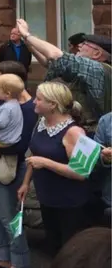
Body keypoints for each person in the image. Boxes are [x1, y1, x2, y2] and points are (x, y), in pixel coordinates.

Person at [18, 81, 90, 254]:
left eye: (39, 99)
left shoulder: (76, 133)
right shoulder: (41, 123)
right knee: (53, 246)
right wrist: (26, 183)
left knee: (69, 250)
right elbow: (34, 156)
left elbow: (82, 172)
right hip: (47, 198)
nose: (34, 101)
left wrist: (46, 163)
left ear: (52, 105)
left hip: (69, 202)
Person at [0, 61, 34, 268]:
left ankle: (19, 262)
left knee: (8, 217)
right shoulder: (5, 102)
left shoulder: (29, 109)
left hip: (12, 166)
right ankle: (2, 257)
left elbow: (20, 145)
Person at [17, 19, 112, 136]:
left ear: (96, 53)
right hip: (81, 130)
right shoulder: (88, 69)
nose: (79, 46)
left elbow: (55, 55)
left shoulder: (96, 69)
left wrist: (27, 35)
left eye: (84, 44)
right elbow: (49, 62)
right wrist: (29, 45)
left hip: (89, 133)